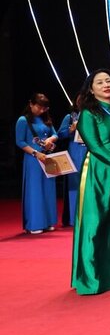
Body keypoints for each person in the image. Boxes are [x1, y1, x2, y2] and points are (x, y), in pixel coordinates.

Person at [71, 69, 110, 295]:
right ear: (91, 89)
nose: (106, 85)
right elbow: (95, 146)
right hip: (100, 171)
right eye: (100, 82)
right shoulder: (89, 113)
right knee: (95, 222)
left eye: (109, 80)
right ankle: (91, 277)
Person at [15, 93, 59, 234]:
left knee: (49, 190)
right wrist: (35, 153)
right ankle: (35, 224)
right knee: (35, 191)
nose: (41, 111)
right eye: (39, 107)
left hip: (47, 157)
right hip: (33, 159)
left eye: (44, 108)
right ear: (31, 104)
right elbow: (20, 142)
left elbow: (55, 134)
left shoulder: (45, 119)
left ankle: (48, 222)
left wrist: (50, 140)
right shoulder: (23, 120)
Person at [57, 99, 87, 227]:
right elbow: (60, 134)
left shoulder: (94, 114)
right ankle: (74, 218)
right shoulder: (70, 117)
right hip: (75, 151)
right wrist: (71, 129)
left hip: (90, 150)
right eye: (80, 99)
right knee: (74, 184)